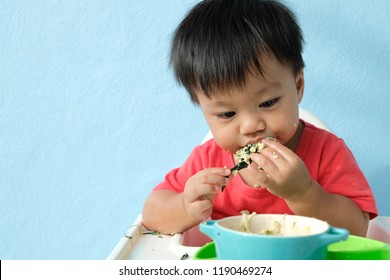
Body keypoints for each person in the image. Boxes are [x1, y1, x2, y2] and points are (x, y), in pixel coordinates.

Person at [142, 0, 378, 237]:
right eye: (227, 114)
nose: (251, 126)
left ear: (297, 86)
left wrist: (303, 193)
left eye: (267, 103)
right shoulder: (207, 161)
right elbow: (152, 215)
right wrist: (185, 206)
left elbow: (358, 230)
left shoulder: (327, 153)